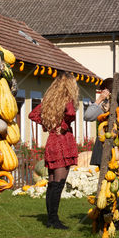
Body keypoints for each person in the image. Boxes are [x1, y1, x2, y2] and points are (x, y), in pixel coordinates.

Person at [29, 72, 79, 229]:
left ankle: (51, 219)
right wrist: (63, 126)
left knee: (52, 182)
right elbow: (70, 113)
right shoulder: (67, 100)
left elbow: (32, 114)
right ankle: (53, 220)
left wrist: (49, 124)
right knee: (58, 183)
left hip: (52, 142)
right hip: (63, 142)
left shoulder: (50, 101)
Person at [85, 78, 113, 167]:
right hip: (103, 142)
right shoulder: (104, 106)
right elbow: (88, 116)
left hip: (114, 143)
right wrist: (100, 100)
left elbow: (87, 116)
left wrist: (99, 99)